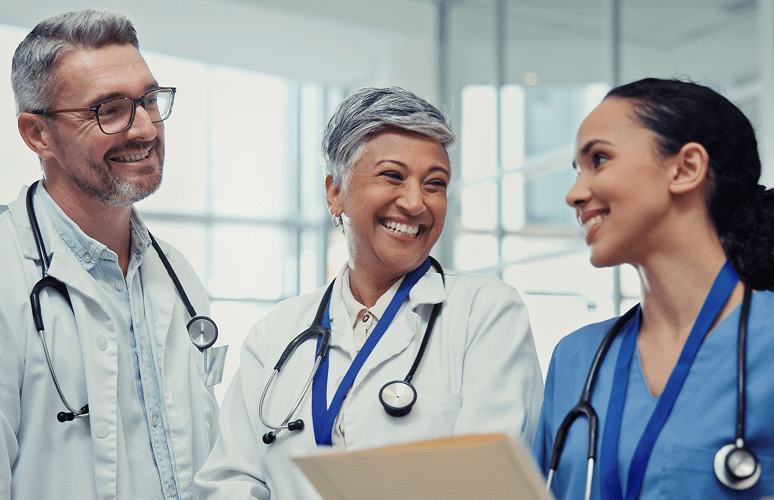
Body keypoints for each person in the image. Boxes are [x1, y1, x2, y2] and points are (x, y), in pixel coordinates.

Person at [195, 86, 544, 498]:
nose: (415, 203)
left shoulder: (486, 313)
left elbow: (484, 484)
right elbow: (229, 483)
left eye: (435, 184)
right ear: (335, 192)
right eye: (393, 176)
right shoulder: (278, 332)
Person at [0, 10, 219, 500]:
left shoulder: (178, 277)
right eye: (109, 109)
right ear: (38, 134)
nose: (144, 129)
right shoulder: (7, 271)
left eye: (149, 101)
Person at [533, 77, 774, 500]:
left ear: (685, 169)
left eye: (600, 159)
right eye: (577, 170)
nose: (574, 194)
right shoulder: (576, 360)